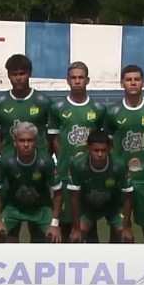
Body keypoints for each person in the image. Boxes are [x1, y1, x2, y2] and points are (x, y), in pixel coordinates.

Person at [105, 64, 144, 243]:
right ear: (121, 83)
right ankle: (117, 268)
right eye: (129, 80)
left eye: (137, 79)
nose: (133, 83)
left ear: (143, 83)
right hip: (120, 179)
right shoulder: (112, 112)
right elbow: (108, 144)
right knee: (118, 230)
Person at [48, 61, 107, 239]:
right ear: (68, 80)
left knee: (89, 221)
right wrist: (63, 160)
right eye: (73, 78)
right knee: (67, 222)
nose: (77, 81)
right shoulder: (57, 108)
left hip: (91, 173)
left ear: (87, 80)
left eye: (81, 77)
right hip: (67, 172)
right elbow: (55, 139)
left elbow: (101, 142)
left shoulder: (98, 109)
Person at [0, 122, 62, 243]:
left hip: (41, 207)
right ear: (15, 142)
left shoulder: (46, 161)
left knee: (53, 238)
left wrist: (54, 223)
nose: (26, 144)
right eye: (22, 141)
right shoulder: (5, 160)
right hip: (13, 207)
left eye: (30, 140)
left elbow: (58, 191)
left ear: (36, 142)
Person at [66, 131, 134, 243]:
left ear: (109, 149)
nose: (100, 154)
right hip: (88, 208)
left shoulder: (119, 165)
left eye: (103, 150)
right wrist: (76, 228)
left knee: (127, 238)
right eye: (96, 150)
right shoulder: (77, 165)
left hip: (113, 207)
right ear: (88, 149)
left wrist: (126, 227)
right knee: (75, 239)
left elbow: (128, 196)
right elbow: (74, 197)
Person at [0, 54, 53, 157]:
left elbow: (52, 138)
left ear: (29, 74)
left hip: (38, 162)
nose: (18, 78)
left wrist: (44, 157)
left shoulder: (44, 102)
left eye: (22, 74)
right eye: (14, 74)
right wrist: (6, 157)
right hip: (10, 165)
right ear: (8, 75)